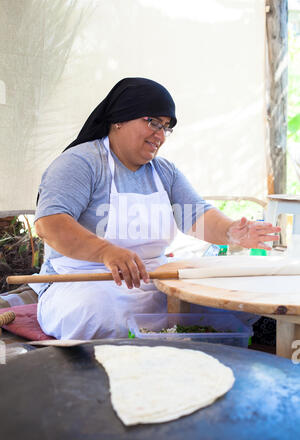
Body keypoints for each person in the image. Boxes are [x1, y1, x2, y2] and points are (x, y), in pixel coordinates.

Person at [32, 77, 280, 340]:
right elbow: (50, 224)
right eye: (153, 123)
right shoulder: (81, 163)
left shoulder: (164, 172)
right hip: (85, 282)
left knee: (228, 300)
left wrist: (232, 231)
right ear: (119, 119)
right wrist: (106, 252)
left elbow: (197, 215)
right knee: (97, 313)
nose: (160, 136)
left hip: (155, 280)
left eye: (166, 128)